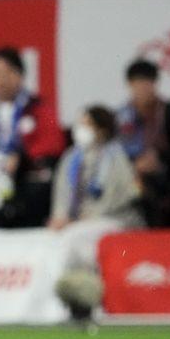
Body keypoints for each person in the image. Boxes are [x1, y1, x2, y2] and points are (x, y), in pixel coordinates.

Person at [48, 106, 142, 320]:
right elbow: (62, 190)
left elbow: (125, 193)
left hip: (113, 219)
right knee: (70, 242)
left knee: (75, 239)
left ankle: (88, 301)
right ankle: (75, 302)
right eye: (80, 123)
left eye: (87, 124)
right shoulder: (71, 157)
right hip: (77, 222)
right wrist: (60, 215)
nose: (81, 129)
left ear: (102, 130)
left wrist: (92, 214)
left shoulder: (116, 155)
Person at [0, 47, 66, 225]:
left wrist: (22, 157)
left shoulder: (38, 108)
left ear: (20, 75)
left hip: (22, 175)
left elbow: (53, 144)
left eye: (7, 73)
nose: (2, 80)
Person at [116, 59, 170, 227]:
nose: (144, 88)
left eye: (148, 83)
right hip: (128, 174)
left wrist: (159, 159)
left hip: (162, 174)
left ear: (155, 84)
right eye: (139, 83)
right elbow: (114, 152)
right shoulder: (121, 116)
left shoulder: (169, 112)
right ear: (130, 85)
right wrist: (134, 166)